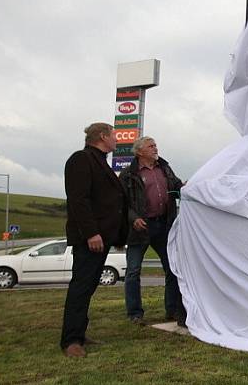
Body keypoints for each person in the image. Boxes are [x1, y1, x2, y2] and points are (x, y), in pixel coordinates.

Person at [61, 123, 128, 358]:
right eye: (114, 136)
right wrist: (91, 233)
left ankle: (79, 332)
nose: (117, 140)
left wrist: (118, 235)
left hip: (102, 237)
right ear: (103, 136)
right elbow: (78, 200)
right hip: (90, 238)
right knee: (81, 286)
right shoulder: (82, 159)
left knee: (87, 287)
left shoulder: (100, 161)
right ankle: (71, 341)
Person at [119, 137, 186, 326]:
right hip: (140, 227)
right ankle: (135, 313)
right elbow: (122, 202)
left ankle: (172, 310)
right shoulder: (128, 174)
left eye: (155, 145)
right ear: (139, 151)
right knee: (133, 271)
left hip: (164, 225)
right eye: (151, 146)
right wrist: (133, 219)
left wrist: (187, 188)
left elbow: (177, 186)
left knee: (172, 267)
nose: (155, 148)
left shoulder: (164, 168)